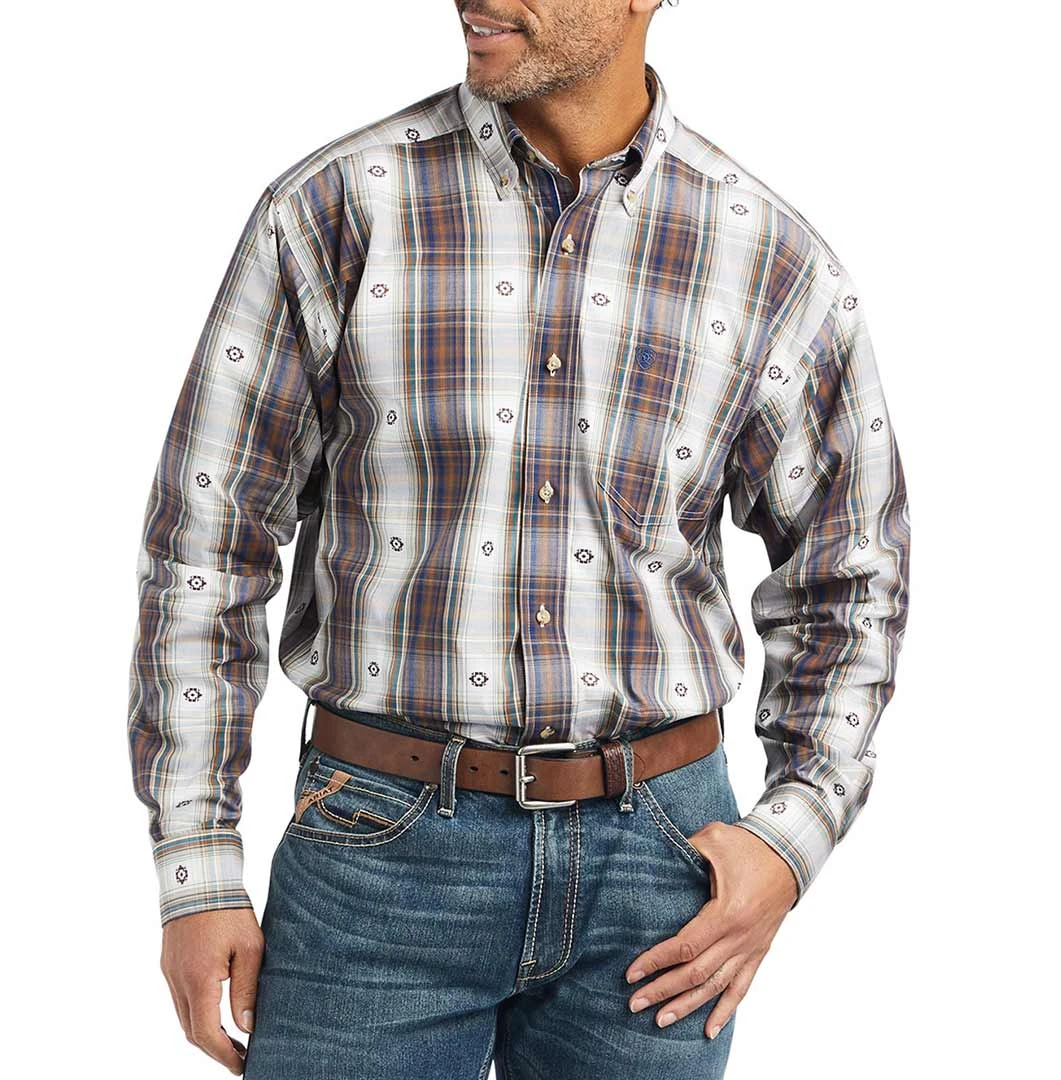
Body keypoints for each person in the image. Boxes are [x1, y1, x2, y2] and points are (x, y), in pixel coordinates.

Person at [127, 2, 910, 1077]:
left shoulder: (768, 257)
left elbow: (851, 575)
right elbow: (207, 546)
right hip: (378, 857)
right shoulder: (336, 207)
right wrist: (198, 868)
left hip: (664, 875)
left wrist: (792, 836)